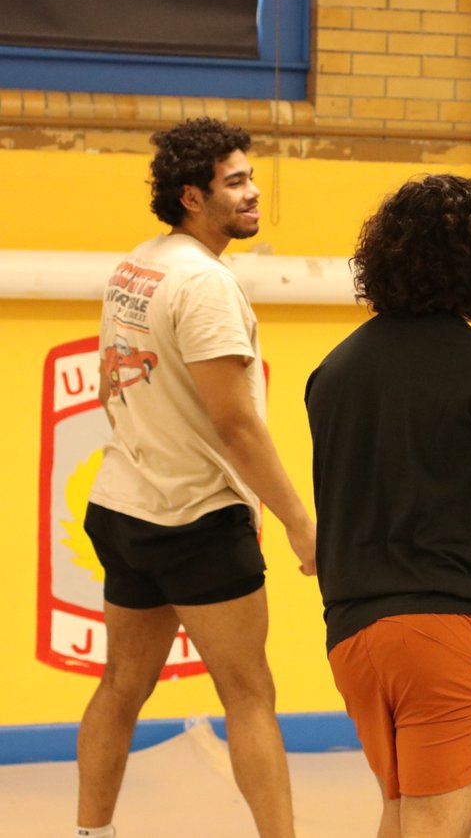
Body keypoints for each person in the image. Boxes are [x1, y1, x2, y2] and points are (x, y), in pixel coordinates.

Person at [79, 118, 316, 838]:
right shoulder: (205, 284)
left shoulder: (138, 264)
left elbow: (108, 385)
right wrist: (300, 523)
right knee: (249, 696)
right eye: (235, 182)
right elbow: (236, 425)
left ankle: (91, 832)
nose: (254, 192)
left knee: (121, 685)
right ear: (192, 196)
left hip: (123, 508)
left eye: (251, 177)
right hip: (196, 521)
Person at [305, 174, 471, 838]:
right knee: (434, 824)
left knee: (403, 814)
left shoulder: (332, 375)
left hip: (355, 636)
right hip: (452, 632)